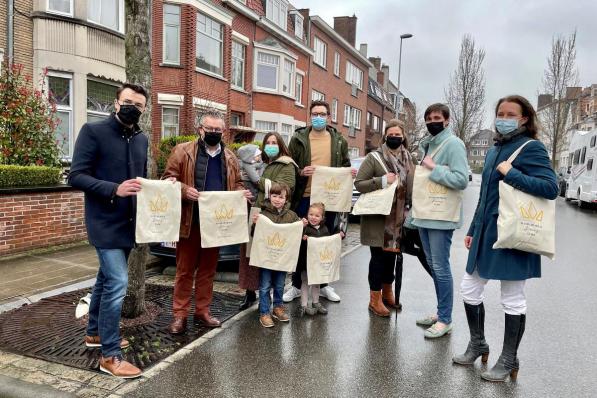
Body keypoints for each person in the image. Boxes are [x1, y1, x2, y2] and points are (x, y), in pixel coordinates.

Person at [454, 95, 558, 382]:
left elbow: (550, 188)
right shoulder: (493, 150)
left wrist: (512, 174)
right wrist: (473, 229)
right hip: (486, 233)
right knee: (469, 289)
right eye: (501, 112)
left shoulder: (532, 148)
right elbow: (485, 194)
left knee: (512, 298)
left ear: (524, 118)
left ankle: (509, 358)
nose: (504, 117)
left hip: (514, 234)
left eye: (511, 113)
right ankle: (478, 343)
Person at [68, 83, 149, 378]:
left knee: (104, 281)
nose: (132, 107)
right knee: (117, 283)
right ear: (116, 103)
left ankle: (94, 334)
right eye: (127, 101)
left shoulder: (142, 139)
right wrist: (115, 189)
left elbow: (142, 180)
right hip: (103, 222)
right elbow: (75, 176)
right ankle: (110, 356)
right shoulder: (93, 131)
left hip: (129, 225)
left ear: (143, 109)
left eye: (139, 105)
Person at [162, 110, 249, 334]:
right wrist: (183, 190)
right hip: (190, 221)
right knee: (184, 271)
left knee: (208, 271)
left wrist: (242, 193)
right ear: (200, 130)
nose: (214, 133)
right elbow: (167, 180)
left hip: (217, 223)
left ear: (223, 132)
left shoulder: (230, 157)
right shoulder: (182, 151)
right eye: (209, 129)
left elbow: (238, 182)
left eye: (218, 130)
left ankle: (202, 311)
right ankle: (179, 315)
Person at [285, 100, 356, 303]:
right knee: (301, 243)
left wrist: (349, 173)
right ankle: (297, 285)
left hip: (329, 201)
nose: (318, 117)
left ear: (329, 117)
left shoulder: (339, 140)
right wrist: (300, 171)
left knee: (325, 243)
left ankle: (323, 285)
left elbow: (345, 165)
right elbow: (289, 167)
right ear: (310, 116)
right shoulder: (298, 138)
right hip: (304, 197)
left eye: (322, 114)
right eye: (315, 113)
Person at [412, 103, 469, 338]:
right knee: (435, 267)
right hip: (426, 214)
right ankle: (440, 312)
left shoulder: (453, 144)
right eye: (428, 118)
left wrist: (434, 168)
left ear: (447, 120)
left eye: (436, 117)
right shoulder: (429, 144)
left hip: (441, 217)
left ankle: (445, 319)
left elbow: (461, 179)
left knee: (441, 268)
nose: (431, 121)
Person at [354, 119, 414, 317]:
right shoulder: (374, 158)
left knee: (391, 257)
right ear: (385, 136)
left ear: (403, 136)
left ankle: (388, 294)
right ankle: (375, 299)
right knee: (378, 258)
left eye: (398, 134)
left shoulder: (408, 158)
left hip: (398, 219)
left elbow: (413, 184)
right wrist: (381, 180)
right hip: (378, 218)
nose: (395, 137)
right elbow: (359, 184)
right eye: (391, 134)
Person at [237, 132, 297, 310]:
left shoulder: (287, 164)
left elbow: (284, 188)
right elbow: (240, 179)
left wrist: (255, 179)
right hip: (254, 211)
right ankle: (250, 293)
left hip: (274, 215)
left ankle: (270, 298)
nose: (271, 145)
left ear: (281, 145)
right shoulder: (260, 161)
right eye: (268, 143)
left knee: (269, 253)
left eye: (274, 142)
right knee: (249, 255)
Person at [252, 182, 303, 328]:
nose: (277, 199)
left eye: (281, 197)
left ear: (286, 199)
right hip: (266, 259)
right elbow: (254, 236)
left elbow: (296, 235)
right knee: (265, 286)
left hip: (282, 259)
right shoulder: (263, 214)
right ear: (270, 196)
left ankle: (278, 307)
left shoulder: (292, 216)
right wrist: (256, 224)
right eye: (274, 196)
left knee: (280, 285)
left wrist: (302, 226)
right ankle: (264, 312)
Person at [296, 202, 330, 316]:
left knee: (316, 283)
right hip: (305, 262)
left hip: (318, 263)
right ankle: (304, 306)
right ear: (307, 214)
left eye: (317, 216)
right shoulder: (304, 228)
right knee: (305, 282)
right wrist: (302, 238)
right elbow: (295, 240)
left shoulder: (325, 229)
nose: (313, 218)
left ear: (322, 217)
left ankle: (316, 302)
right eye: (311, 214)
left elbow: (328, 244)